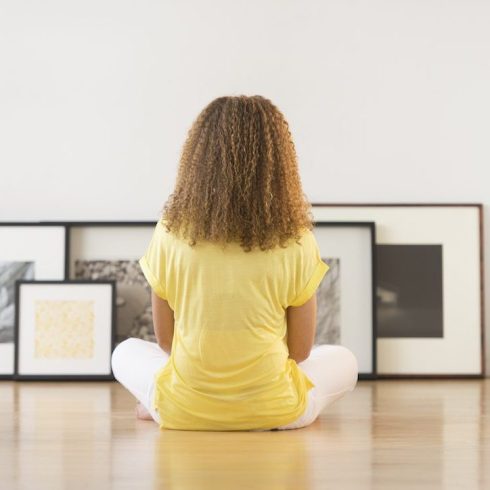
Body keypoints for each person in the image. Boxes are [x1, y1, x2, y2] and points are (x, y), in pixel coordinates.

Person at [111, 95, 358, 431]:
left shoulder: (170, 233)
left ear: (197, 159)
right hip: (279, 411)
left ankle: (155, 405)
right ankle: (248, 410)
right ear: (279, 163)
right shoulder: (297, 239)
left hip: (182, 410)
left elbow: (166, 342)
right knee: (344, 360)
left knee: (125, 352)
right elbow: (299, 352)